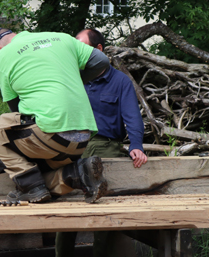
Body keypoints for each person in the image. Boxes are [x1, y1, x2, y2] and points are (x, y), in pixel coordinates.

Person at [0, 28, 110, 204]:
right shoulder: (62, 37)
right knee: (42, 175)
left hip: (50, 136)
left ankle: (30, 186)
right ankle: (76, 173)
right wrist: (73, 78)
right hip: (82, 140)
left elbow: (16, 112)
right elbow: (102, 61)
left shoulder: (3, 55)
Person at [55, 28, 149, 257]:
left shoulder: (120, 82)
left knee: (102, 210)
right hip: (70, 144)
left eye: (81, 48)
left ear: (98, 51)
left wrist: (136, 145)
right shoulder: (70, 77)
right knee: (65, 210)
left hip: (104, 145)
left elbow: (132, 117)